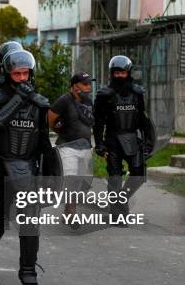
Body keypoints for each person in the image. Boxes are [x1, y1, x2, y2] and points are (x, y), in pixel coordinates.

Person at [0, 49, 52, 285]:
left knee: (30, 221)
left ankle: (28, 270)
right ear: (8, 74)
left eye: (25, 73)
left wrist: (50, 174)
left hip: (28, 169)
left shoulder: (39, 104)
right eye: (17, 73)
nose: (22, 78)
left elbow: (44, 142)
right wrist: (18, 98)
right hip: (0, 168)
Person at [93, 55, 155, 226]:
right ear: (112, 73)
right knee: (115, 176)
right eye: (116, 73)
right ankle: (117, 215)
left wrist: (149, 143)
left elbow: (143, 119)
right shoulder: (104, 95)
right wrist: (99, 144)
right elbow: (98, 122)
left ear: (128, 73)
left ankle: (121, 200)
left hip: (132, 138)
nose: (119, 76)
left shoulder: (138, 94)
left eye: (122, 72)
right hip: (112, 139)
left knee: (139, 174)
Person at [47, 72, 95, 229]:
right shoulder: (64, 100)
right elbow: (50, 118)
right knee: (72, 179)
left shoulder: (88, 102)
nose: (89, 87)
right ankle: (71, 213)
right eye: (85, 84)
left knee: (83, 180)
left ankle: (68, 210)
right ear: (75, 86)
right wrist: (60, 130)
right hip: (67, 146)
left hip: (85, 146)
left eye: (89, 84)